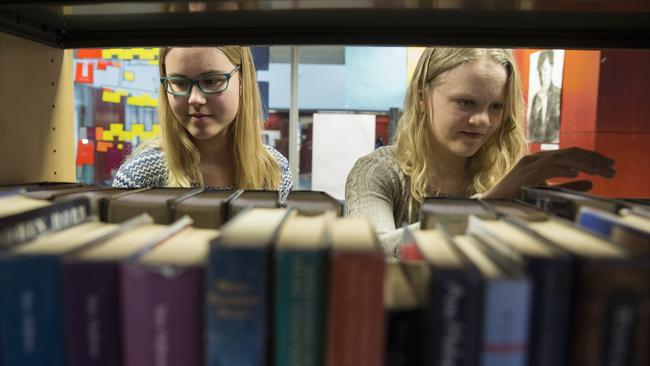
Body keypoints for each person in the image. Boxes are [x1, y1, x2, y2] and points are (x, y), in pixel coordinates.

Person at [345, 48, 615, 256]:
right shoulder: (377, 171)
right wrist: (488, 203)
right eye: (465, 102)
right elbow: (370, 254)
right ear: (421, 97)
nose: (483, 121)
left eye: (496, 106)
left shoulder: (507, 174)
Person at [113, 46, 292, 201]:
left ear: (242, 82)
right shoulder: (139, 174)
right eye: (180, 83)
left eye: (211, 81)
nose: (195, 99)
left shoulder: (275, 172)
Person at [528, 50, 561, 142]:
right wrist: (537, 109)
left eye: (545, 70)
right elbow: (530, 130)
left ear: (552, 69)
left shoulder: (557, 94)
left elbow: (556, 129)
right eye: (540, 70)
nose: (542, 75)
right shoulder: (536, 97)